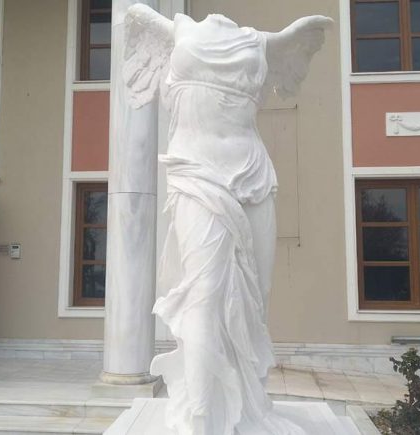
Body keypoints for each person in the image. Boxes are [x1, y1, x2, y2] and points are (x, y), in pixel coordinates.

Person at [124, 5, 332, 433]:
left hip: (253, 173)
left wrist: (296, 34)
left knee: (255, 296)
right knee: (203, 293)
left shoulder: (261, 42)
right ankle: (201, 416)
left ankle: (249, 405)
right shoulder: (175, 30)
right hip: (197, 172)